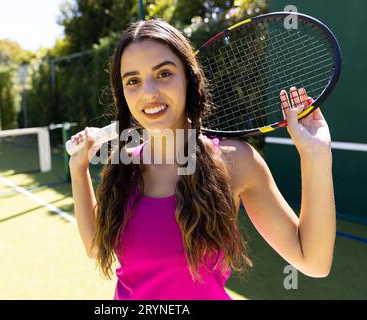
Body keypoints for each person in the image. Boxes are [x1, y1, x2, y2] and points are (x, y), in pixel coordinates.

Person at [68, 19, 336, 300]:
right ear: (122, 92)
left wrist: (315, 157)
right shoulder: (124, 165)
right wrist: (78, 170)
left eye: (163, 74)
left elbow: (313, 261)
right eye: (133, 81)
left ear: (188, 78)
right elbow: (97, 248)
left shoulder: (235, 162)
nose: (148, 93)